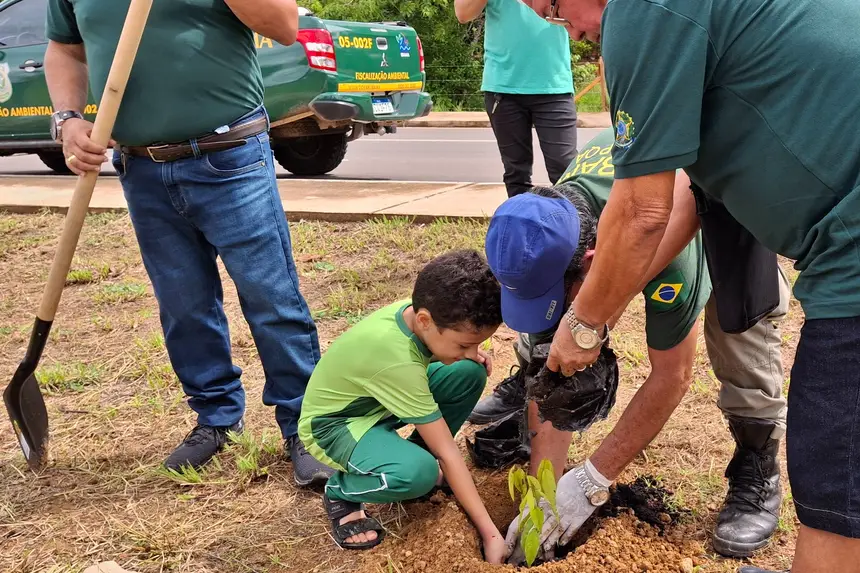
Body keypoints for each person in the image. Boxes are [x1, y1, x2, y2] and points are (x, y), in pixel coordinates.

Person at [510, 1, 860, 572]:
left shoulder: (642, 13)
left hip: (852, 249)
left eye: (551, 8)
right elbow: (688, 198)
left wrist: (586, 323)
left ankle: (760, 471)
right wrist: (611, 295)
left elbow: (643, 216)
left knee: (835, 478)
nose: (566, 32)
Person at [44, 0, 335, 486]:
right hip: (141, 168)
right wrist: (68, 118)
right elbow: (65, 50)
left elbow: (284, 26)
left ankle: (305, 426)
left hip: (230, 157)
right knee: (183, 304)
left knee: (271, 297)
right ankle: (217, 418)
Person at [478, 127, 791, 562]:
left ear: (590, 262)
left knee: (741, 332)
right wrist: (542, 493)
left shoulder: (669, 260)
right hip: (624, 220)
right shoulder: (541, 227)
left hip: (725, 205)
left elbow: (672, 376)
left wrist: (591, 481)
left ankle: (757, 466)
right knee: (557, 339)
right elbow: (554, 360)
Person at [298, 249, 506, 562]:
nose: (472, 350)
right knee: (419, 474)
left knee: (467, 372)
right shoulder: (398, 362)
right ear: (425, 320)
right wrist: (491, 534)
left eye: (477, 343)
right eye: (464, 344)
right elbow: (448, 452)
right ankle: (341, 491)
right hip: (334, 424)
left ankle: (411, 453)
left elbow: (433, 355)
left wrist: (465, 353)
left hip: (375, 404)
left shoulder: (422, 313)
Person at [454, 0, 578, 198]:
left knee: (565, 171)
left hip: (554, 85)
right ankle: (522, 226)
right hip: (503, 88)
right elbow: (463, 13)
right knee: (516, 172)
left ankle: (580, 227)